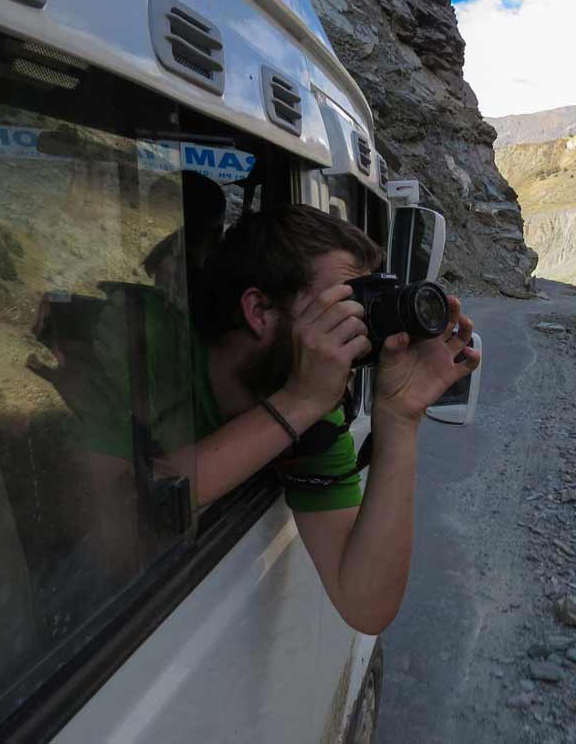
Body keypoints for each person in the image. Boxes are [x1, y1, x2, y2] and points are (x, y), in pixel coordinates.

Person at [164, 204, 479, 634]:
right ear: (259, 311)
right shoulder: (144, 349)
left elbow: (366, 605)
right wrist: (300, 401)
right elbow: (143, 505)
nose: (363, 327)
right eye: (349, 303)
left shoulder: (316, 414)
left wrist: (400, 417)